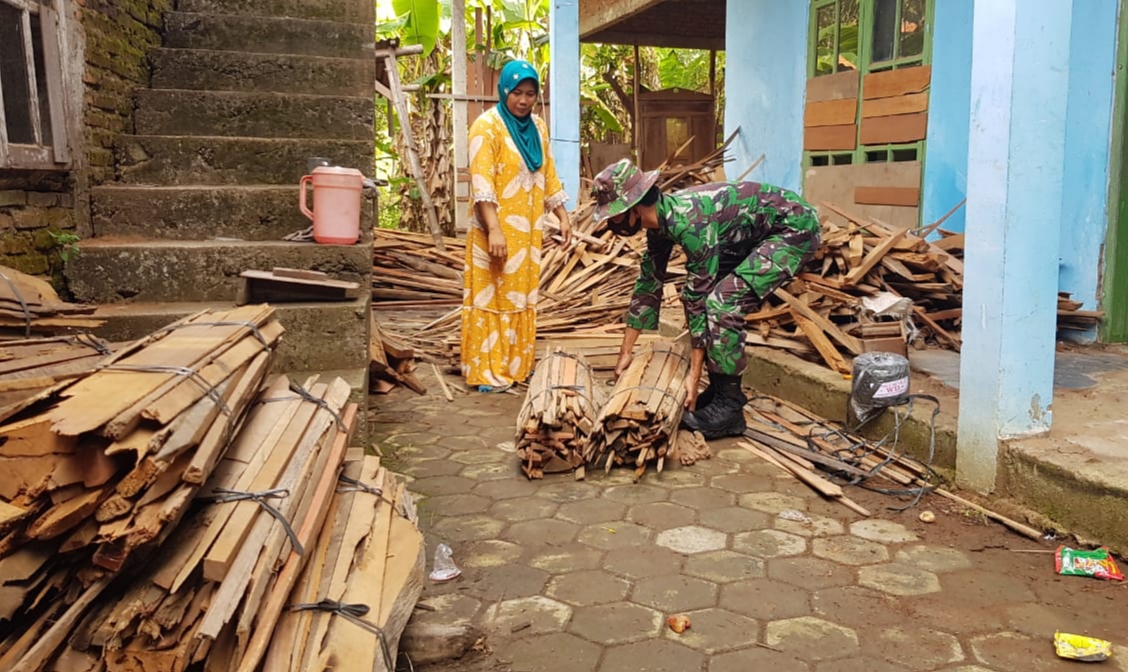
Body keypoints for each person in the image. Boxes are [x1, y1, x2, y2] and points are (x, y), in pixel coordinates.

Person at [592, 159, 821, 439]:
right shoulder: (660, 224)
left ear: (633, 208)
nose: (611, 222)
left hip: (793, 229)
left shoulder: (689, 222)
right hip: (745, 237)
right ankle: (720, 389)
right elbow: (648, 285)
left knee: (721, 303)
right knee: (711, 301)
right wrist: (625, 352)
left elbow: (698, 300)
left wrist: (693, 377)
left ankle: (729, 409)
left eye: (612, 215)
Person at [461, 60, 571, 392]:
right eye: (517, 93)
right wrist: (494, 229)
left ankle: (514, 368)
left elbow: (548, 174)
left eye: (530, 94)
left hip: (528, 232)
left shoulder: (538, 127)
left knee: (520, 297)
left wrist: (563, 216)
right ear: (504, 91)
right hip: (493, 230)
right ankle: (487, 372)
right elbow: (482, 184)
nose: (523, 101)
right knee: (492, 295)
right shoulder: (487, 127)